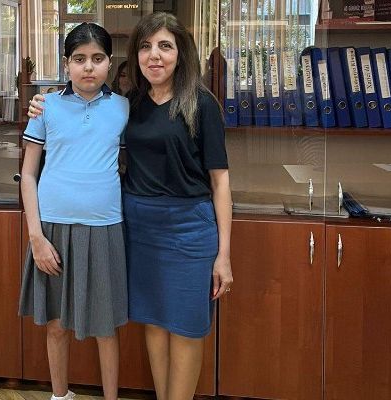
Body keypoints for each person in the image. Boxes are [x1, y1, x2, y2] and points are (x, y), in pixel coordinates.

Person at [27, 12, 233, 400]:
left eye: (165, 46)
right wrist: (44, 100)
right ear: (135, 55)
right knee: (153, 323)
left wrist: (223, 255)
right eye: (146, 46)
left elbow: (220, 182)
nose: (155, 55)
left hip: (188, 228)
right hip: (139, 225)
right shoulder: (131, 104)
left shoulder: (202, 104)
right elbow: (80, 114)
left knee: (187, 328)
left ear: (181, 53)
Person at [18, 22, 130, 400]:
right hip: (52, 230)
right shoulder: (45, 106)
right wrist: (36, 237)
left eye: (97, 58)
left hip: (105, 227)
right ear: (66, 64)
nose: (88, 67)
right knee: (55, 325)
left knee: (106, 327)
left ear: (109, 63)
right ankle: (60, 395)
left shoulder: (123, 108)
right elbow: (28, 174)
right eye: (79, 59)